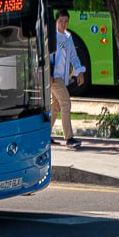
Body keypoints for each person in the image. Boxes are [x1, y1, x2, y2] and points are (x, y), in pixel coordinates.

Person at [50, 11, 86, 148]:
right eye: (61, 21)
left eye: (66, 21)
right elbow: (43, 55)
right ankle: (69, 138)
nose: (64, 24)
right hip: (53, 77)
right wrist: (47, 73)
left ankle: (45, 137)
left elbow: (73, 56)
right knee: (66, 103)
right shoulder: (51, 36)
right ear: (56, 21)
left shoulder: (68, 37)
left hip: (61, 76)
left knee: (55, 107)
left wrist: (79, 71)